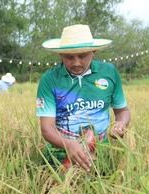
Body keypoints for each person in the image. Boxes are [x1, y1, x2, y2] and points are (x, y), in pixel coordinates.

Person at [36, 24, 131, 172]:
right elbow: (47, 128)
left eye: (82, 56)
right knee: (60, 188)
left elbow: (122, 111)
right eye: (69, 57)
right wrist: (69, 145)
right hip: (60, 152)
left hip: (101, 150)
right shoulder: (50, 79)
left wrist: (120, 125)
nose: (76, 63)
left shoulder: (109, 73)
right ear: (60, 55)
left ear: (93, 51)